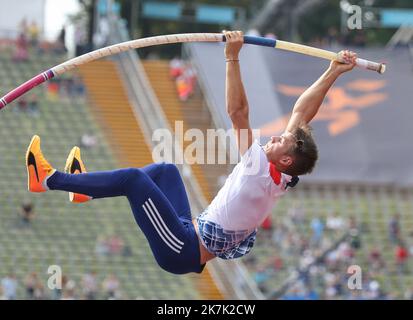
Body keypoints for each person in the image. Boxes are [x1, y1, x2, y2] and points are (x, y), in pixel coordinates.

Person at [24, 31, 357, 275]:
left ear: (285, 159)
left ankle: (49, 179)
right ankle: (83, 190)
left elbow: (237, 112)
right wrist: (333, 70)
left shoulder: (259, 170)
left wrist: (232, 55)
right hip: (189, 229)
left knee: (132, 180)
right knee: (167, 171)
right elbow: (301, 113)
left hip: (180, 250)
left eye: (280, 142)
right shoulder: (283, 175)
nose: (273, 139)